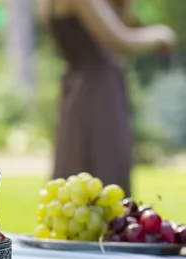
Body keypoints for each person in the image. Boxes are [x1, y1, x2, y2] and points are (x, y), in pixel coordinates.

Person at [37, 0, 175, 196]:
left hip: (76, 87)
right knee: (106, 170)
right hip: (98, 92)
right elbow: (122, 41)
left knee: (74, 165)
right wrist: (162, 35)